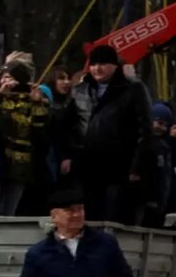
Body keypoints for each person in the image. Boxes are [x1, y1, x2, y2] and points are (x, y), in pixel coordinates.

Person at [58, 45, 151, 222]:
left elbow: (144, 131)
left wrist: (137, 167)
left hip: (118, 167)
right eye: (93, 64)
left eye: (103, 64)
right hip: (85, 166)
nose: (97, 69)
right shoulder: (80, 91)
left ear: (114, 66)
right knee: (85, 217)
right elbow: (64, 126)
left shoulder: (132, 90)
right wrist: (67, 155)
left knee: (112, 216)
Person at [0, 62, 51, 216]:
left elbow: (40, 129)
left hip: (20, 161)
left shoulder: (32, 100)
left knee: (10, 204)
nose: (5, 81)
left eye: (9, 77)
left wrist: (37, 103)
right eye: (3, 77)